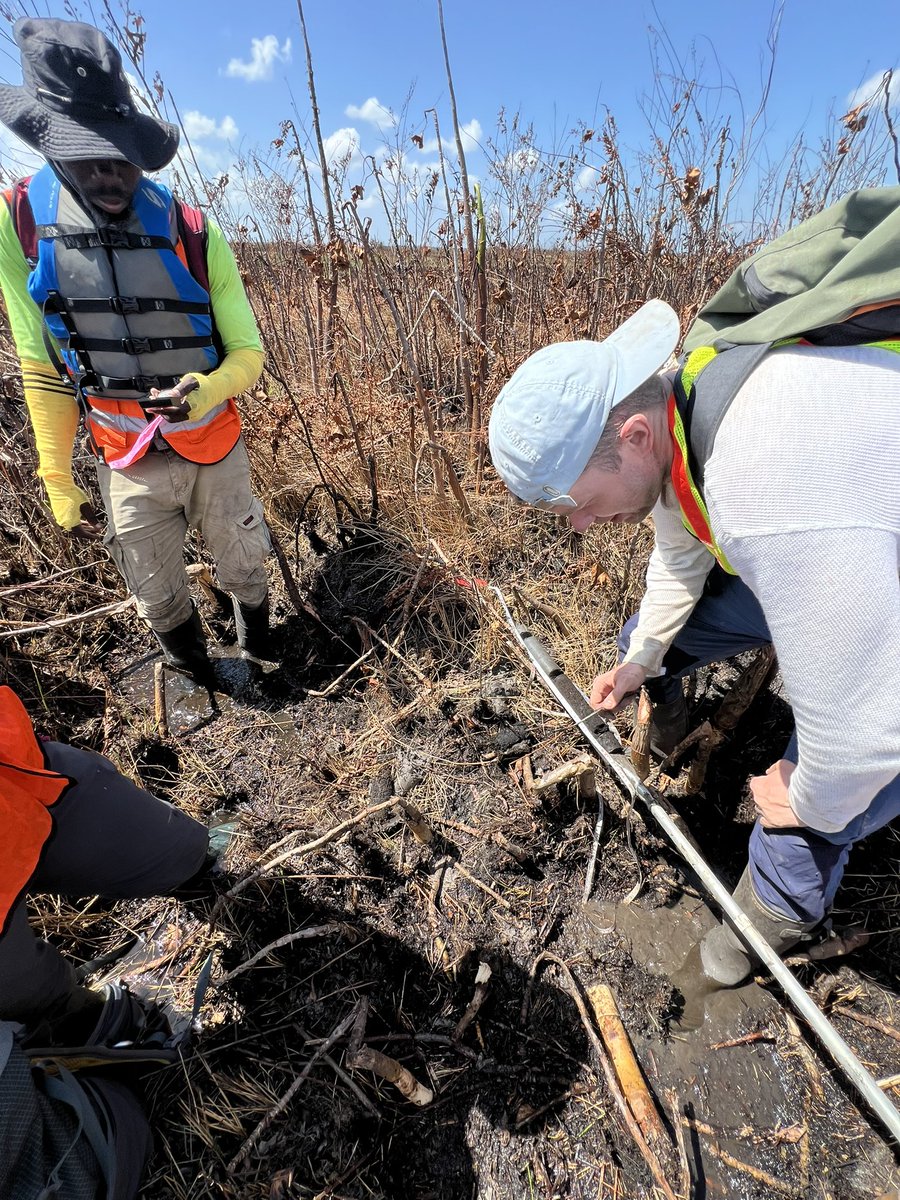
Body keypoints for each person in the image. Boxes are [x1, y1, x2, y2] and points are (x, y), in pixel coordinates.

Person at [488, 298, 900, 1024]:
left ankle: (747, 944)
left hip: (874, 586)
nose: (581, 525)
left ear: (633, 435)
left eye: (577, 504)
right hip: (835, 557)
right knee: (648, 641)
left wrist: (807, 798)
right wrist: (643, 659)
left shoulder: (761, 478)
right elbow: (681, 554)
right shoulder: (683, 419)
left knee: (813, 808)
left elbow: (867, 727)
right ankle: (677, 747)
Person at [0, 18, 273, 687]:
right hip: (123, 459)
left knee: (244, 564)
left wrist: (203, 391)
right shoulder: (21, 227)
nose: (108, 170)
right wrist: (56, 475)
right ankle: (196, 677)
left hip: (213, 443)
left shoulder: (192, 231)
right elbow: (42, 364)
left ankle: (263, 659)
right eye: (85, 153)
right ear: (49, 146)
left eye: (120, 152)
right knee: (154, 589)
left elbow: (248, 354)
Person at [0, 680, 217, 1197]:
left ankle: (199, 874)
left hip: (20, 782)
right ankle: (90, 1021)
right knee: (106, 1130)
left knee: (183, 850)